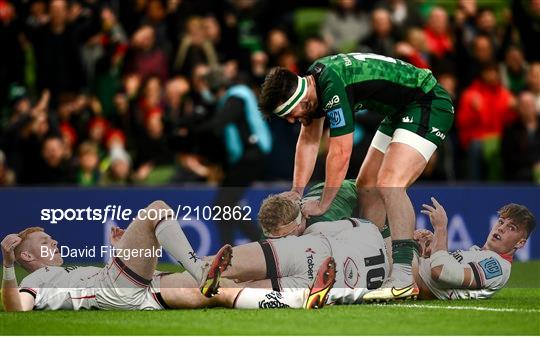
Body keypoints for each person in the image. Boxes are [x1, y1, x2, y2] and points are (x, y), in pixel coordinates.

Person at [258, 52, 454, 301]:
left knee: (390, 183)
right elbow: (308, 140)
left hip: (428, 102)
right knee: (367, 186)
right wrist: (297, 191)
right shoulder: (313, 86)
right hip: (400, 110)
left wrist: (323, 203)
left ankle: (403, 277)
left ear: (297, 98)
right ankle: (380, 261)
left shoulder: (332, 86)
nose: (290, 120)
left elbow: (340, 152)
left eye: (288, 113)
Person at [1, 200, 336, 311]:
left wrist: (122, 251)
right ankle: (200, 272)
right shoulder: (37, 279)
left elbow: (89, 288)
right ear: (28, 255)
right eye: (45, 240)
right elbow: (17, 309)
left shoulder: (63, 274)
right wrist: (7, 265)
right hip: (115, 290)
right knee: (157, 210)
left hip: (137, 294)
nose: (55, 241)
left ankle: (300, 299)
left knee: (220, 290)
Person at [414, 199, 536, 300]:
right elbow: (441, 266)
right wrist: (430, 247)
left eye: (511, 228)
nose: (501, 228)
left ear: (520, 243)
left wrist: (440, 228)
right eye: (501, 221)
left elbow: (441, 273)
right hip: (412, 270)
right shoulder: (478, 252)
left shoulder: (497, 266)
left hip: (412, 275)